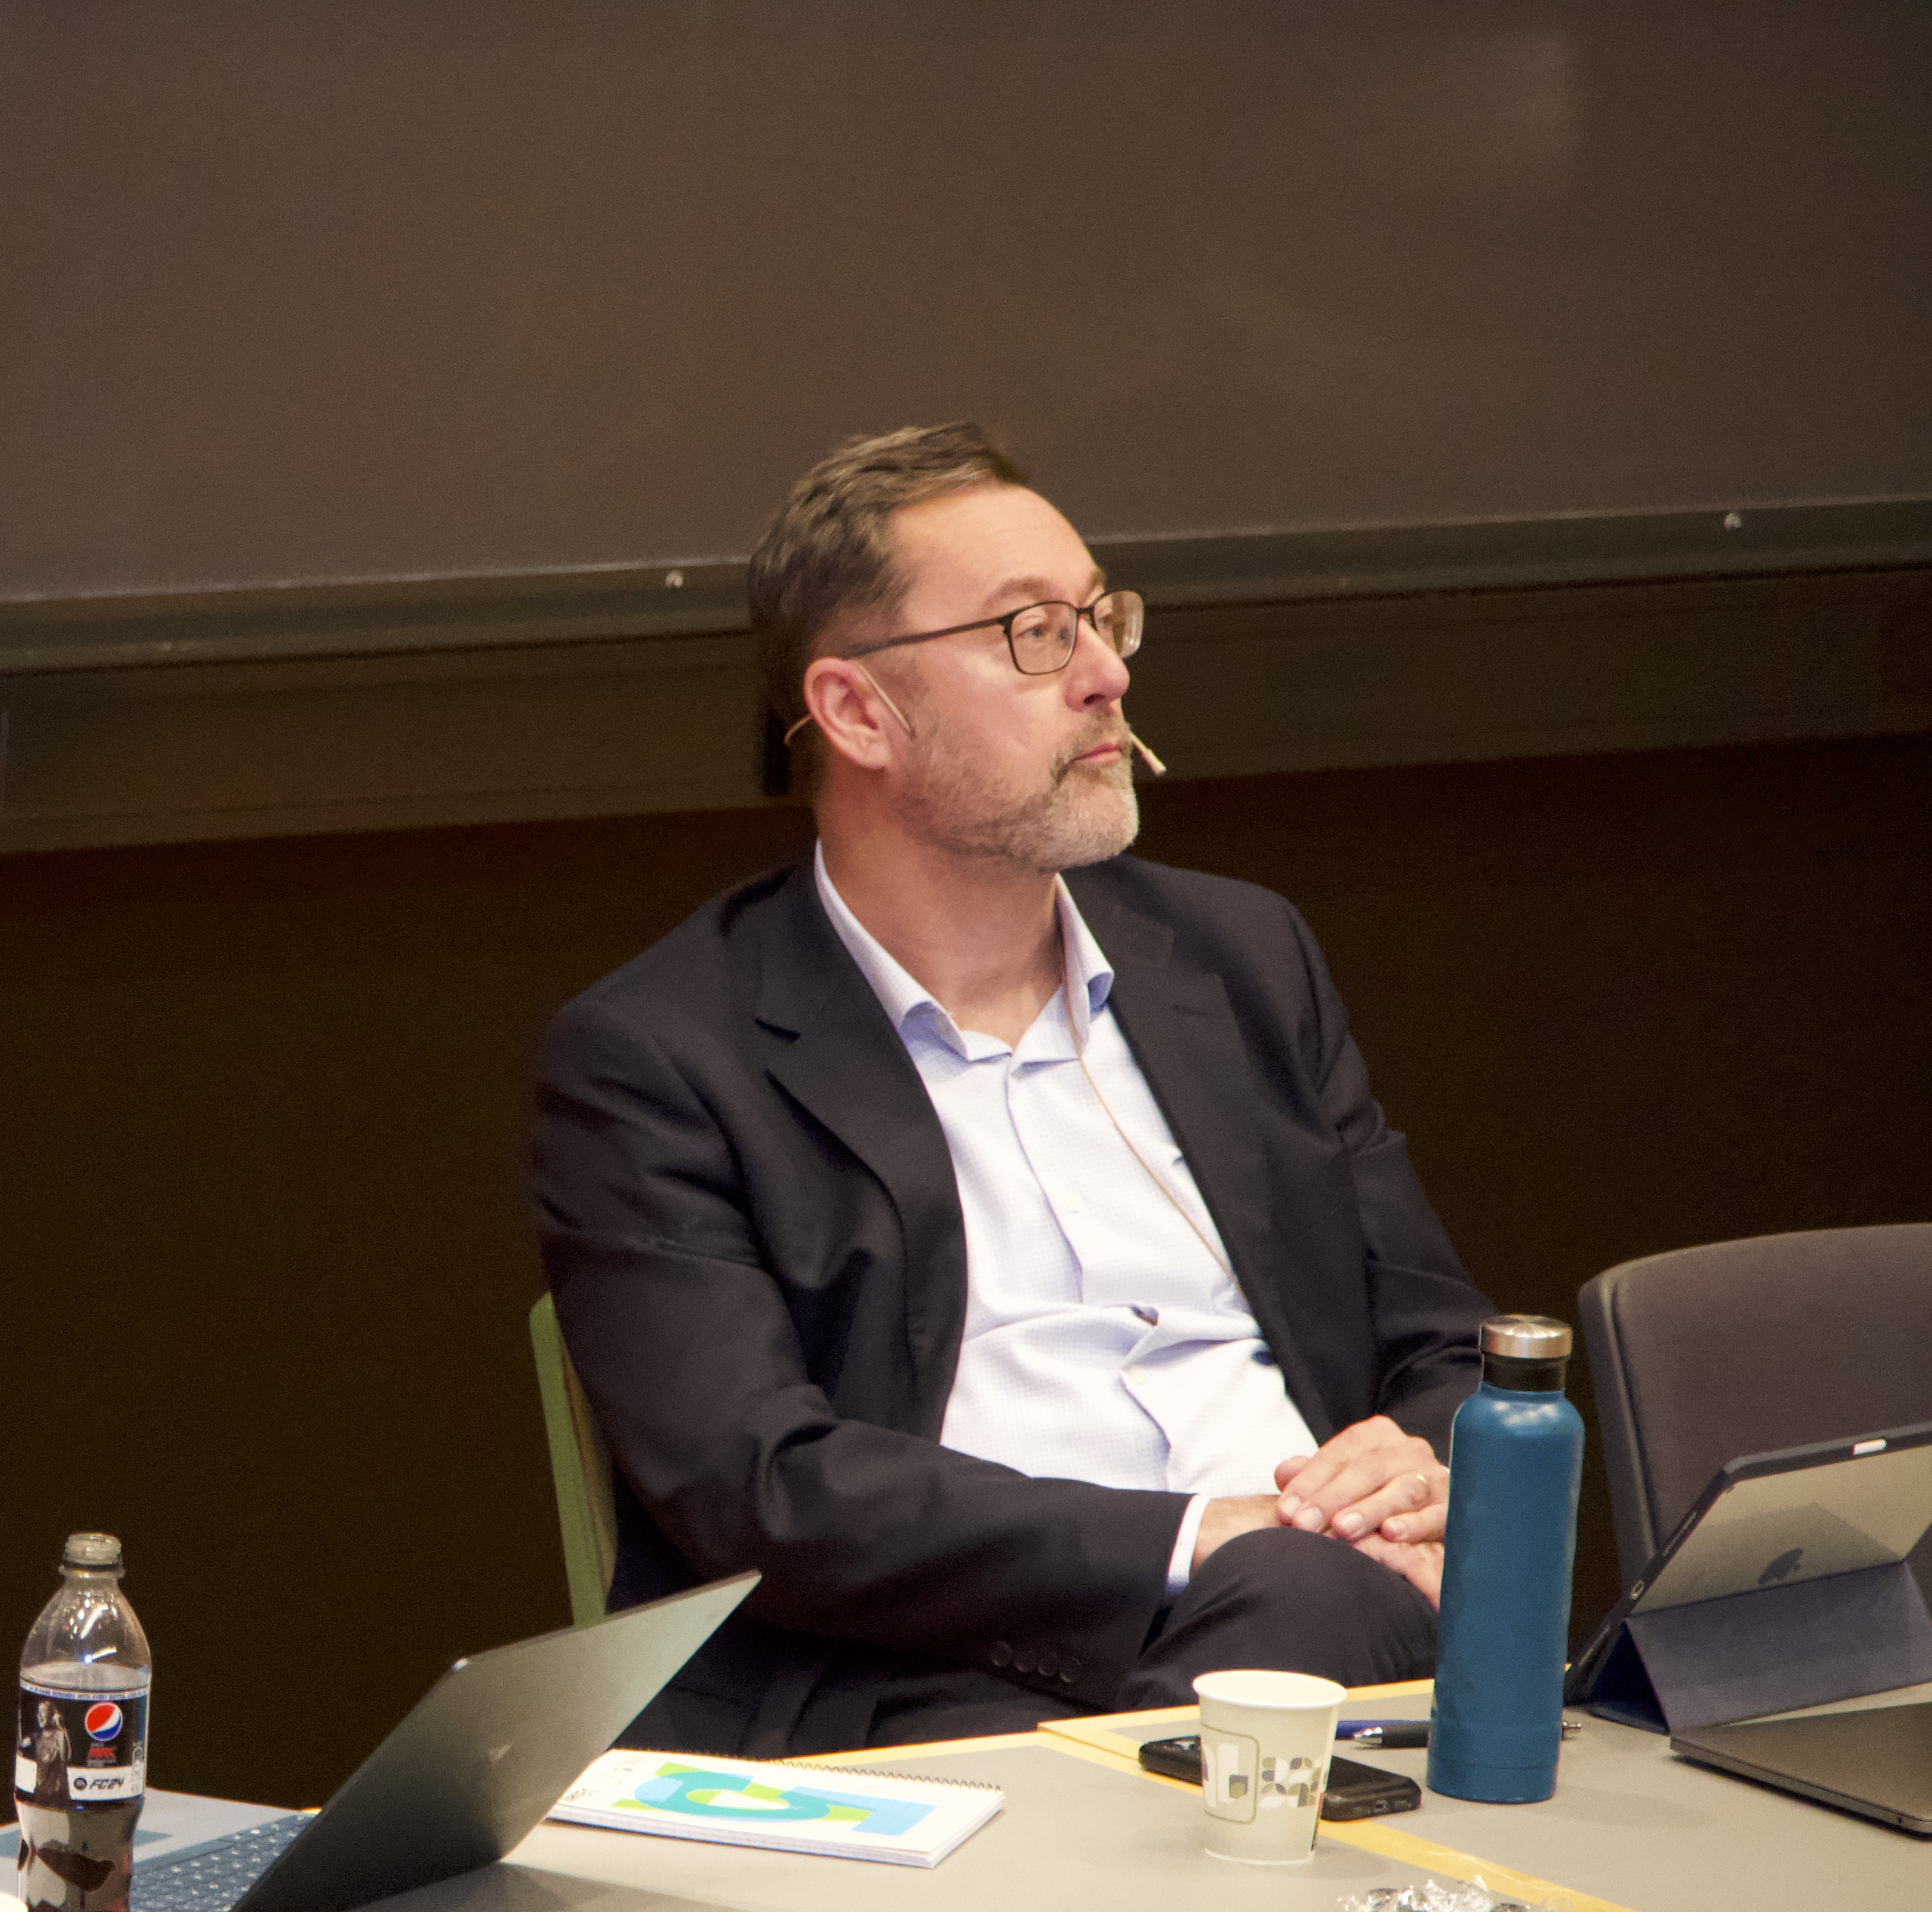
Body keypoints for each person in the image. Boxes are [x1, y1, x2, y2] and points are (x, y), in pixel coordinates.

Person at [530, 424, 1487, 1758]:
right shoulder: (662, 1055)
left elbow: (1444, 1344)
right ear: (859, 711)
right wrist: (1195, 1537)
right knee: (1299, 1613)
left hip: (1344, 1608)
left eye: (1103, 620)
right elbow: (762, 1488)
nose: (1105, 676)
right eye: (1033, 634)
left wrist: (1417, 1468)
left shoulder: (1242, 958)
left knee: (1335, 1607)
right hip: (946, 1683)